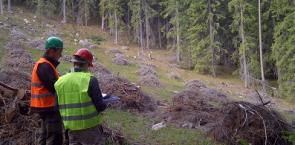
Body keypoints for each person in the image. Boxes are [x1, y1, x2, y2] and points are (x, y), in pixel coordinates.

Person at [54, 48, 107, 145]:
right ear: (87, 64)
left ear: (74, 63)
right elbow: (101, 106)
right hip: (90, 130)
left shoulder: (60, 82)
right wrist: (107, 102)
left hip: (71, 131)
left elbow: (56, 108)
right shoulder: (90, 80)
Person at [30, 37, 64, 145]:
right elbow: (54, 86)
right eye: (59, 52)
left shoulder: (45, 64)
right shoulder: (44, 66)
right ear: (51, 51)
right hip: (49, 107)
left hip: (44, 107)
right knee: (54, 138)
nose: (61, 55)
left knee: (45, 136)